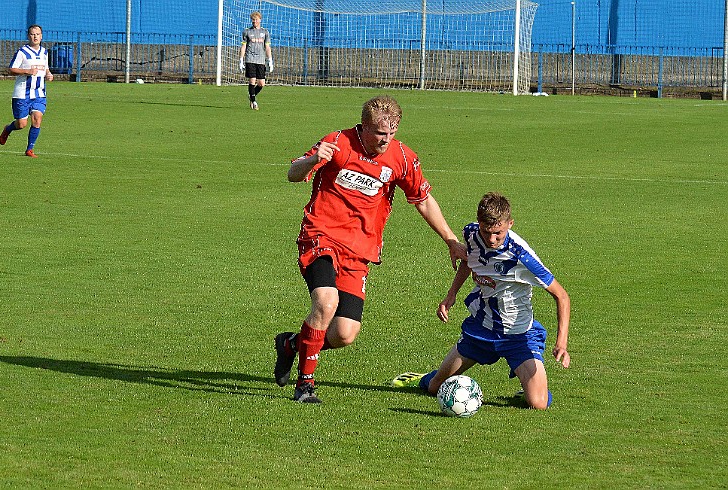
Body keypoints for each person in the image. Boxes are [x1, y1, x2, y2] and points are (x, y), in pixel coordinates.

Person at [274, 95, 467, 403]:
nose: (385, 140)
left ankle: (292, 345)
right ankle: (305, 385)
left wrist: (451, 240)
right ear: (363, 127)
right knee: (325, 302)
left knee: (344, 333)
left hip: (359, 250)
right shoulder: (337, 142)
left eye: (391, 134)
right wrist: (312, 159)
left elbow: (423, 199)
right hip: (321, 236)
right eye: (379, 134)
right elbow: (293, 173)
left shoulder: (401, 157)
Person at [392, 192, 571, 410]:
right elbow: (470, 260)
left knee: (538, 403)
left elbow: (561, 296)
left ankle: (529, 387)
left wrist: (561, 343)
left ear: (510, 224)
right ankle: (426, 377)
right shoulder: (471, 234)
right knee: (434, 388)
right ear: (479, 224)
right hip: (482, 329)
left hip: (518, 335)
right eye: (487, 232)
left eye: (498, 233)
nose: (492, 239)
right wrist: (451, 295)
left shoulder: (521, 256)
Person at [0, 24, 54, 158]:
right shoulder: (22, 52)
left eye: (38, 34)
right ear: (28, 36)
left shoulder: (44, 52)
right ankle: (8, 129)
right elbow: (11, 69)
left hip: (39, 93)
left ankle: (29, 149)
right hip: (22, 94)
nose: (35, 37)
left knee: (37, 119)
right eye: (32, 34)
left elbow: (45, 68)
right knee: (22, 124)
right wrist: (27, 71)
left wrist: (49, 74)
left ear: (41, 36)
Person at [238, 11, 273, 110]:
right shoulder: (247, 31)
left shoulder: (265, 32)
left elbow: (267, 47)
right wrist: (241, 60)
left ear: (260, 20)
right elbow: (243, 46)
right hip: (250, 59)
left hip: (261, 60)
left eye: (256, 19)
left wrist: (270, 60)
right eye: (253, 20)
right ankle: (254, 102)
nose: (254, 21)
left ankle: (251, 96)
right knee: (252, 79)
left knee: (261, 83)